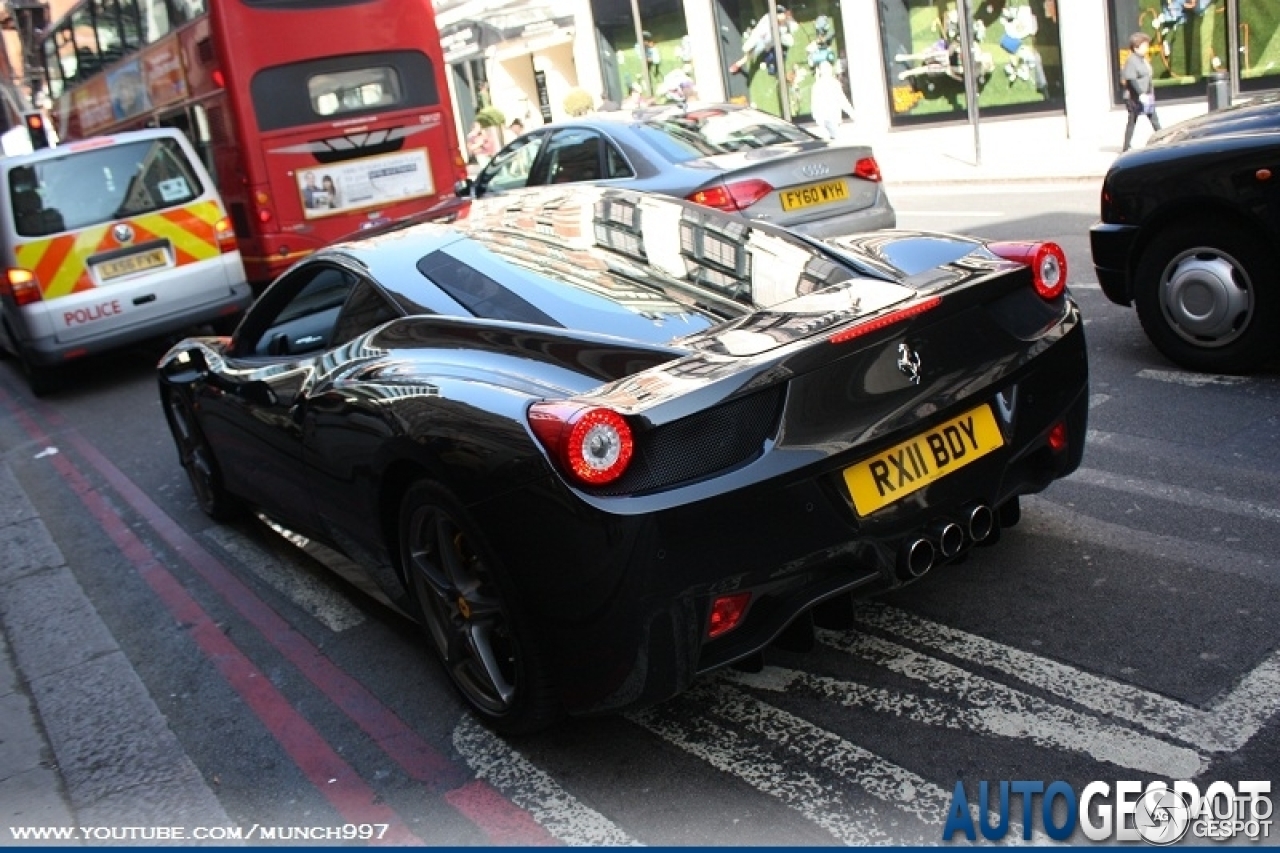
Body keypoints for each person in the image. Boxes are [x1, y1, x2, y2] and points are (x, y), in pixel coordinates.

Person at [1122, 31, 1161, 152]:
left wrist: (1149, 93)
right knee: (1133, 120)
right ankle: (1126, 146)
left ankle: (1162, 138)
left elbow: (1147, 76)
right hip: (1134, 97)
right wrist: (1141, 94)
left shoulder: (1143, 59)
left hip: (1146, 95)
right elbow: (1131, 79)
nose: (1146, 48)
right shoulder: (1132, 61)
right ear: (1136, 47)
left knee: (1153, 117)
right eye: (1144, 45)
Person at [729, 7, 797, 76]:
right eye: (784, 15)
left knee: (752, 54)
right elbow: (760, 25)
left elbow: (777, 38)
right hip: (757, 36)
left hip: (764, 43)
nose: (783, 18)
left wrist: (769, 45)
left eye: (786, 17)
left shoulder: (783, 28)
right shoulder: (769, 17)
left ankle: (737, 64)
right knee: (746, 48)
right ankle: (741, 61)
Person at [809, 61, 855, 140]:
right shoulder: (818, 86)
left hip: (833, 118)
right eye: (826, 68)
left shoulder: (833, 83)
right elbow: (815, 104)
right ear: (821, 71)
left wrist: (852, 113)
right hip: (826, 120)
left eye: (829, 68)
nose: (828, 70)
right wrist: (818, 119)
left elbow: (842, 100)